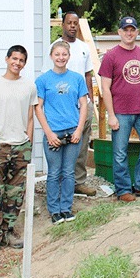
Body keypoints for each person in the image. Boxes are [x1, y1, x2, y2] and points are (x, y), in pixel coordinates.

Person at [0, 45, 38, 261]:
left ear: (24, 63)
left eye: (21, 60)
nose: (17, 63)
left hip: (20, 147)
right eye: (14, 59)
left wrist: (28, 144)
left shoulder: (29, 87)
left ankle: (9, 231)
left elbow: (30, 118)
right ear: (7, 59)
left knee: (15, 194)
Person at [98, 16, 140, 202]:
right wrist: (110, 115)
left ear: (137, 32)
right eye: (125, 30)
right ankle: (123, 189)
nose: (129, 33)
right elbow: (105, 88)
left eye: (132, 29)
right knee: (120, 152)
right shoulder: (111, 56)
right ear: (119, 32)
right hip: (120, 112)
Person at [35, 42, 88, 224]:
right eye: (57, 54)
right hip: (54, 131)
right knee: (54, 172)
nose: (61, 57)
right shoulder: (43, 80)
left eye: (64, 54)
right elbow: (39, 108)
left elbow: (83, 105)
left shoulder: (77, 79)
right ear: (51, 56)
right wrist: (48, 133)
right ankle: (54, 209)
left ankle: (66, 207)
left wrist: (79, 129)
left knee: (68, 172)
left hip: (72, 130)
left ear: (68, 56)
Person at [44, 11, 96, 197]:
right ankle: (59, 182)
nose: (73, 26)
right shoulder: (55, 47)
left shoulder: (83, 47)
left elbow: (88, 74)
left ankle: (78, 181)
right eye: (69, 23)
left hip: (82, 103)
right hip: (61, 105)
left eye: (75, 23)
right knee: (60, 143)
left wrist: (89, 100)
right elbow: (48, 78)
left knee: (80, 143)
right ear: (63, 25)